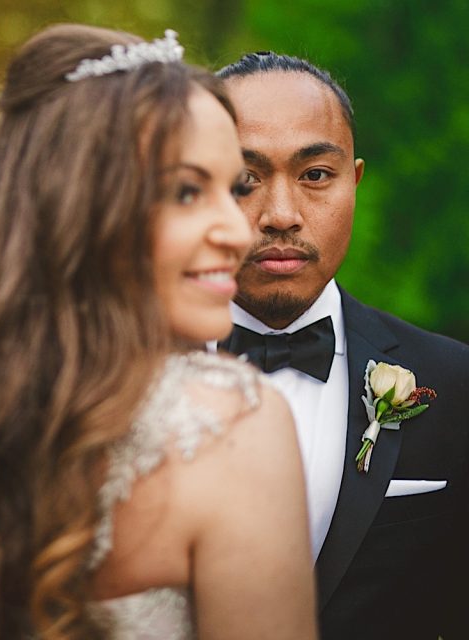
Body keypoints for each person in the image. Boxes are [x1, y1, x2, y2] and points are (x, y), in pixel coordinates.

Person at [0, 26, 317, 639]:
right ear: (81, 207)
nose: (239, 231)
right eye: (187, 192)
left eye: (232, 189)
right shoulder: (236, 424)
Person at [215, 52, 469, 640]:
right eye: (242, 181)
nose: (281, 215)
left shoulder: (455, 383)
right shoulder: (119, 384)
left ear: (354, 182)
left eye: (315, 176)